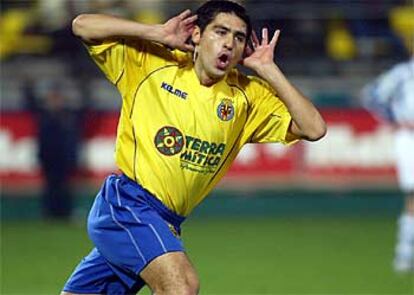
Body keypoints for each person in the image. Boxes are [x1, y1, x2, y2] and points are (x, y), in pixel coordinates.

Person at [62, 1, 326, 294]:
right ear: (197, 35)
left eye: (239, 37)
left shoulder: (248, 97)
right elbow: (82, 25)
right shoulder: (152, 63)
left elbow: (314, 128)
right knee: (182, 286)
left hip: (165, 222)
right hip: (127, 204)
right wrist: (156, 32)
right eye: (220, 32)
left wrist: (269, 69)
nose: (229, 43)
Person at [362, 56, 414, 272]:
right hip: (410, 137)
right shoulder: (403, 73)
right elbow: (371, 95)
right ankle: (405, 253)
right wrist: (392, 119)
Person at [25, 80, 83, 220]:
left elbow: (85, 111)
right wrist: (28, 86)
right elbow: (29, 104)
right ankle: (49, 213)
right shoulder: (44, 115)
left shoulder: (68, 115)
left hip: (63, 159)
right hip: (48, 158)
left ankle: (64, 213)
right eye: (52, 98)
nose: (55, 101)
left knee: (63, 187)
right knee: (50, 187)